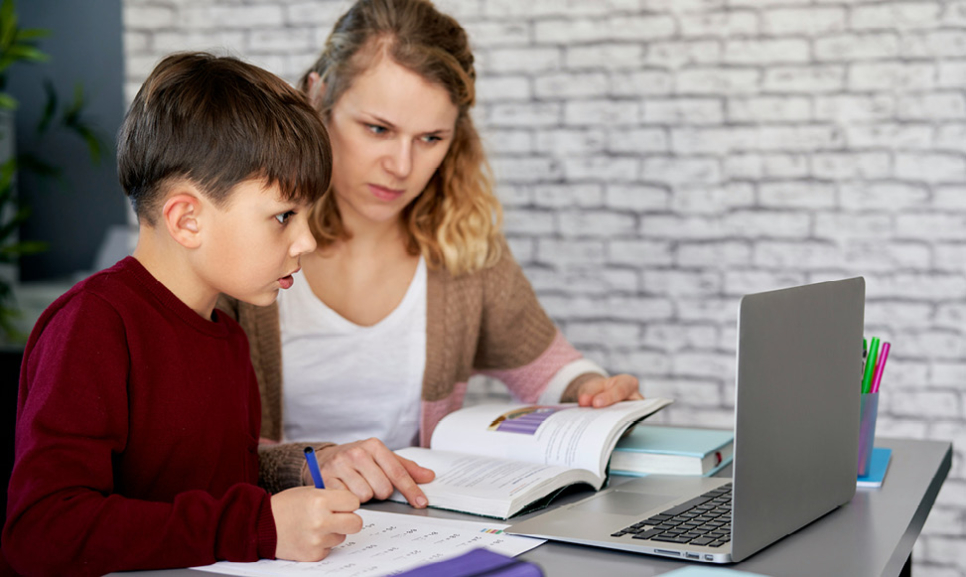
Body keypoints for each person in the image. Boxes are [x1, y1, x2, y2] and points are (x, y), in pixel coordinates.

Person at [221, 0, 643, 510]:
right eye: (378, 129)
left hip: (423, 529)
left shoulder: (461, 245)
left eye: (430, 138)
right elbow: (198, 451)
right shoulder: (241, 237)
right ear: (318, 95)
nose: (402, 166)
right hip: (275, 534)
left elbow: (549, 369)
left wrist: (594, 389)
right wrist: (315, 464)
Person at [2, 52, 363, 576]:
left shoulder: (231, 340)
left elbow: (207, 511)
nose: (306, 240)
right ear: (187, 219)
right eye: (284, 216)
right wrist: (255, 525)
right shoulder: (91, 327)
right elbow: (42, 533)